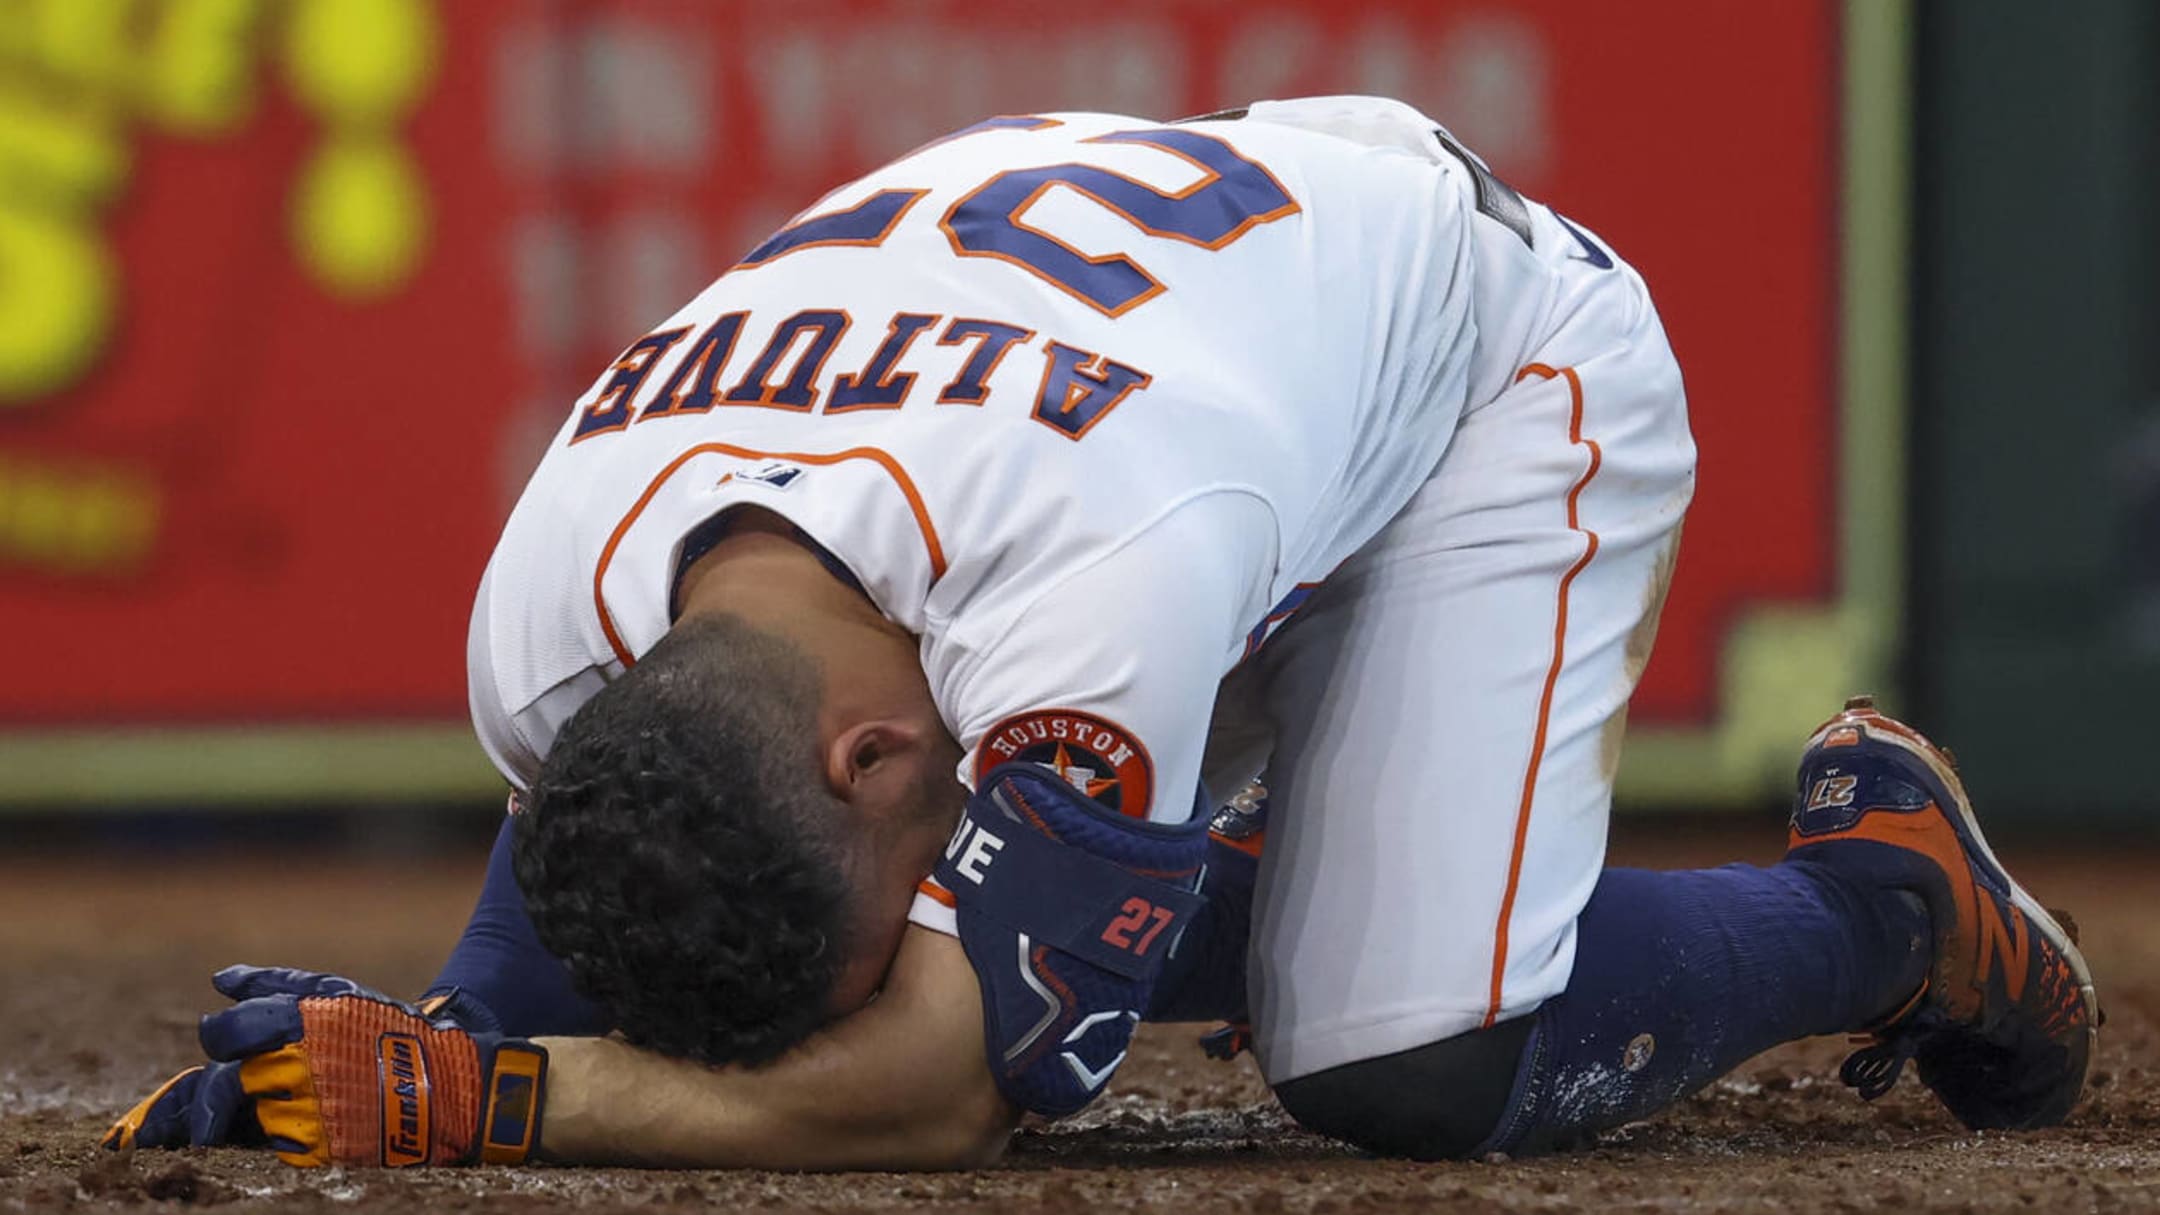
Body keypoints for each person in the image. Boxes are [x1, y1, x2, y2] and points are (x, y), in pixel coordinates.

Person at [105, 96, 2097, 1169]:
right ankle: (1256, 876)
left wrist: (510, 1095)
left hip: (1481, 367)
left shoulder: (1091, 571)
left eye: (896, 872)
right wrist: (438, 1034)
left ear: (874, 754)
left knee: (1406, 1056)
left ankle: (1889, 898)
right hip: (1175, 347)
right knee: (1034, 901)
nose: (899, 920)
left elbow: (957, 1087)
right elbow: (587, 871)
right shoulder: (546, 611)